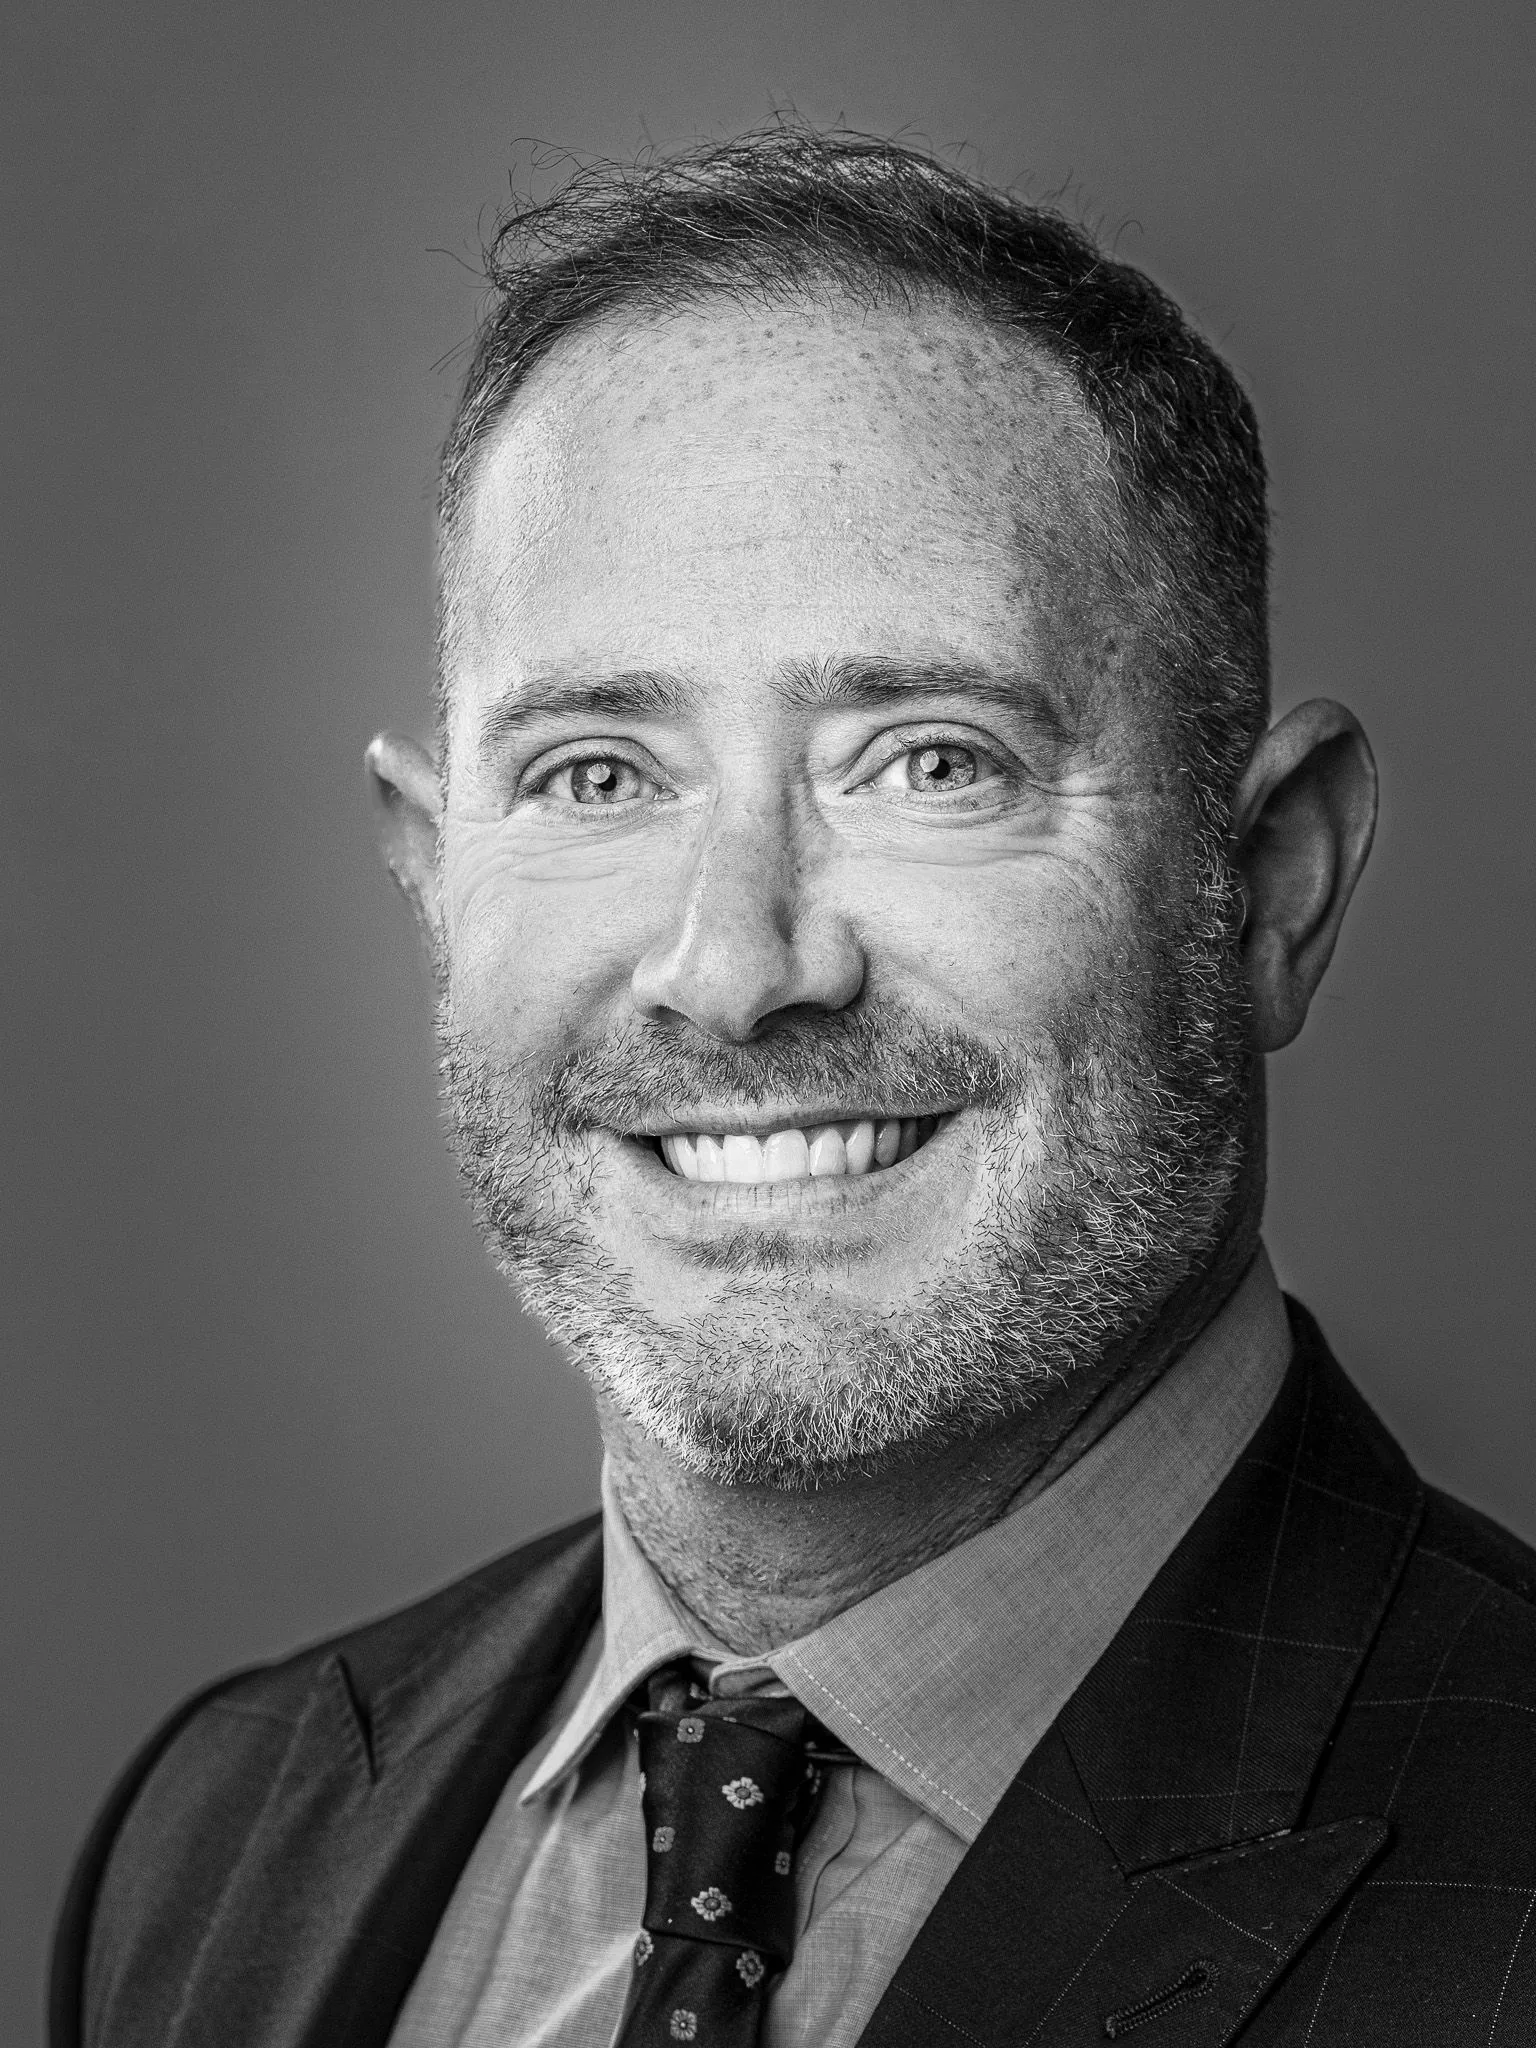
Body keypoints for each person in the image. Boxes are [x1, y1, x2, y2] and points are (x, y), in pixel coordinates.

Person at [52, 128, 1536, 2048]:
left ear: (1269, 883)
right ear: (436, 881)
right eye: (597, 773)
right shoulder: (220, 1837)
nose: (740, 967)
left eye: (928, 760)